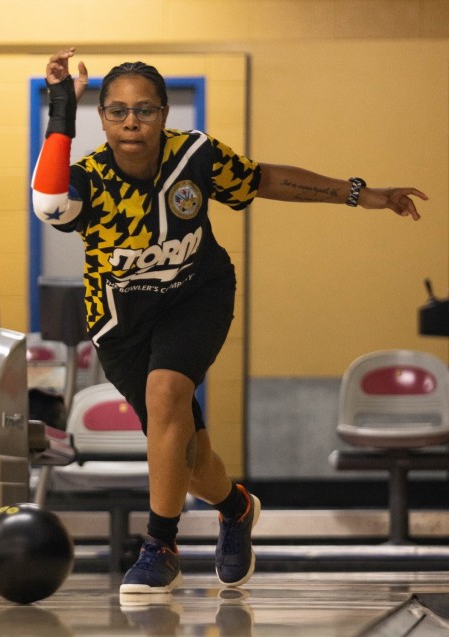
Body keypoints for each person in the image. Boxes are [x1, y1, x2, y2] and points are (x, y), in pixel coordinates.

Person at [31, 47, 427, 594]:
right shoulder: (90, 179)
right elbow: (49, 202)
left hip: (198, 295)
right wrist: (59, 106)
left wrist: (361, 194)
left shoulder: (195, 155)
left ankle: (160, 547)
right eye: (117, 111)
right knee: (188, 457)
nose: (130, 122)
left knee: (167, 395)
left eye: (144, 110)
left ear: (165, 114)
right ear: (101, 118)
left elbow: (265, 180)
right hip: (121, 321)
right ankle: (236, 508)